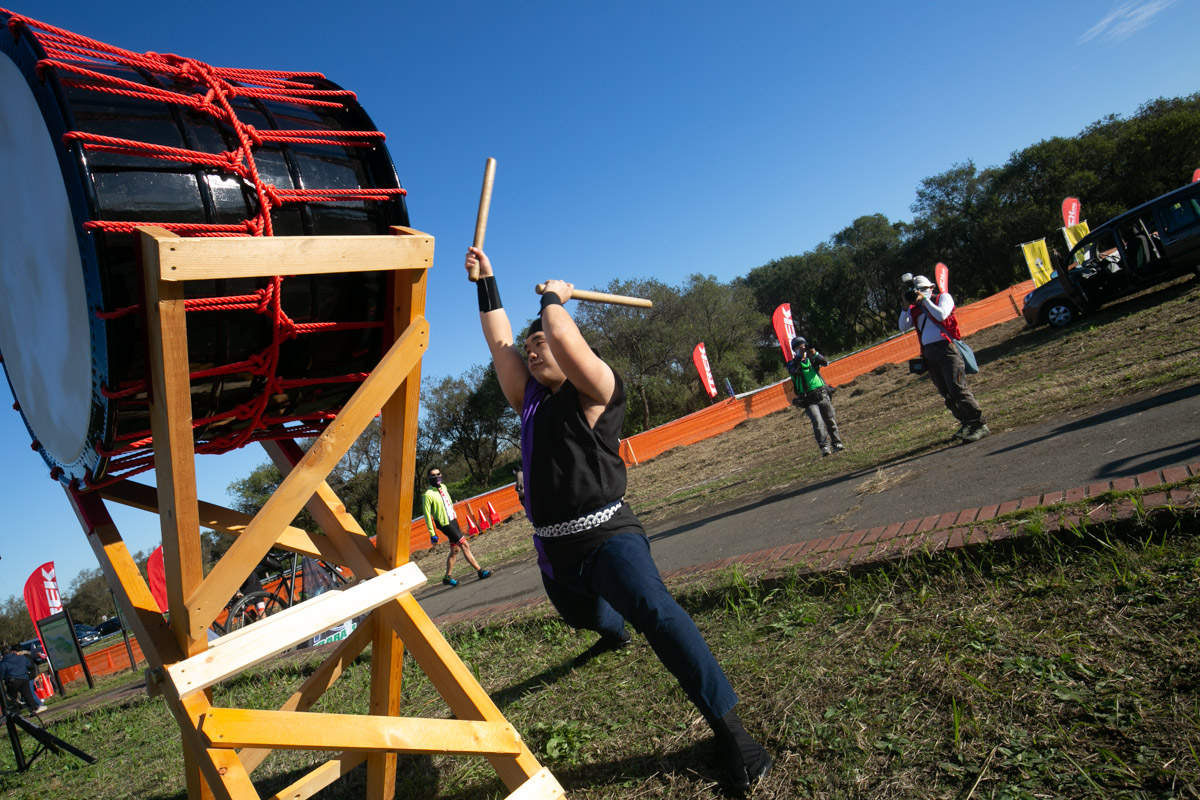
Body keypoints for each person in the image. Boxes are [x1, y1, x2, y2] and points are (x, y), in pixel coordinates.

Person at [464, 245, 772, 793]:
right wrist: (487, 281)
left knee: (655, 610)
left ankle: (733, 733)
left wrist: (556, 300)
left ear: (576, 353)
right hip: (554, 552)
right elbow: (499, 340)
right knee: (590, 619)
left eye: (543, 346)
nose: (532, 353)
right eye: (531, 348)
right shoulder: (529, 401)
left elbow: (560, 332)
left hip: (608, 537)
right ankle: (611, 629)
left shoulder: (600, 392)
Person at [899, 274, 989, 442]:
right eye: (917, 291)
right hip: (929, 353)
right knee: (946, 393)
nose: (920, 293)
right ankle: (966, 422)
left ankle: (979, 424)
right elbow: (903, 326)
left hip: (947, 349)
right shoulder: (915, 308)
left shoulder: (942, 298)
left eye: (924, 290)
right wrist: (906, 306)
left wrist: (924, 300)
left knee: (957, 389)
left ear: (931, 288)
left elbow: (941, 315)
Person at [422, 467, 493, 587]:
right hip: (444, 523)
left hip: (453, 520)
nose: (436, 477)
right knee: (465, 544)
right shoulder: (428, 495)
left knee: (455, 550)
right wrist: (432, 533)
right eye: (433, 475)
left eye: (438, 474)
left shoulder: (443, 487)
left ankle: (447, 577)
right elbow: (427, 515)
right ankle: (480, 571)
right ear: (429, 478)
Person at [786, 335, 844, 455]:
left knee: (830, 419)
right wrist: (799, 357)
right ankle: (824, 447)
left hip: (821, 393)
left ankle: (837, 443)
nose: (801, 348)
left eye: (803, 345)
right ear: (794, 350)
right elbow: (793, 370)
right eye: (798, 347)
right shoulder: (792, 363)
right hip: (808, 398)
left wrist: (814, 352)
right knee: (817, 422)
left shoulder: (812, 359)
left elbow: (824, 362)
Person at [0, 643, 47, 714]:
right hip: (24, 678)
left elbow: (2, 673)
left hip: (12, 680)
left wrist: (5, 678)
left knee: (12, 696)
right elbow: (29, 665)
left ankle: (16, 712)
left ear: (3, 654)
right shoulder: (21, 657)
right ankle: (33, 709)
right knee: (28, 695)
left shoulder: (4, 662)